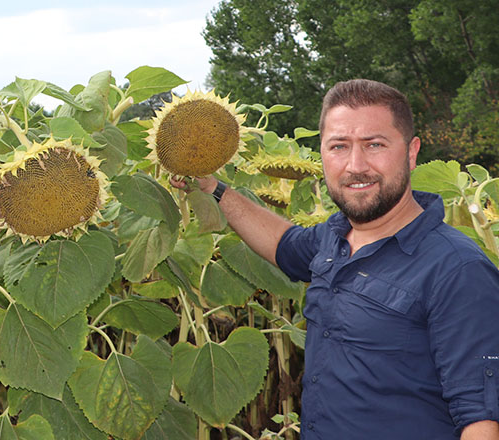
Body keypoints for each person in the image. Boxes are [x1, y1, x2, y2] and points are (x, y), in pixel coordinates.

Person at [173, 79, 499, 439]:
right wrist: (214, 189)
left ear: (410, 151)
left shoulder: (457, 268)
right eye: (339, 146)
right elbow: (285, 245)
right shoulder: (334, 237)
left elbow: (480, 419)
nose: (355, 165)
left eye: (374, 145)